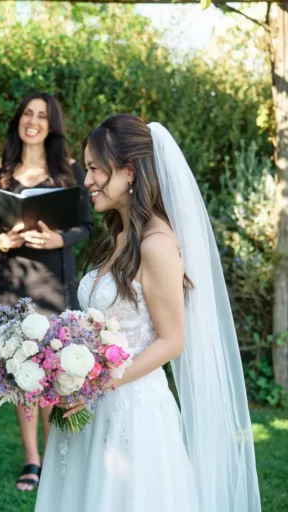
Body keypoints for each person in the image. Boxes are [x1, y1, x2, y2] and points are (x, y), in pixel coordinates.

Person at [34, 114, 261, 511]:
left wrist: (94, 385)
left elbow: (172, 340)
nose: (86, 180)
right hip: (90, 405)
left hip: (132, 412)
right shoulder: (119, 236)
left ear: (129, 171)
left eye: (94, 169)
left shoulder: (157, 244)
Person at [0, 91, 93, 492]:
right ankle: (32, 460)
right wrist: (0, 241)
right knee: (20, 373)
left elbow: (87, 227)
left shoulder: (70, 171)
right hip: (13, 283)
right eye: (28, 113)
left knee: (56, 374)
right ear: (19, 120)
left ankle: (60, 455)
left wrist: (60, 240)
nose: (34, 121)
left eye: (42, 116)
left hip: (54, 282)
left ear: (51, 125)